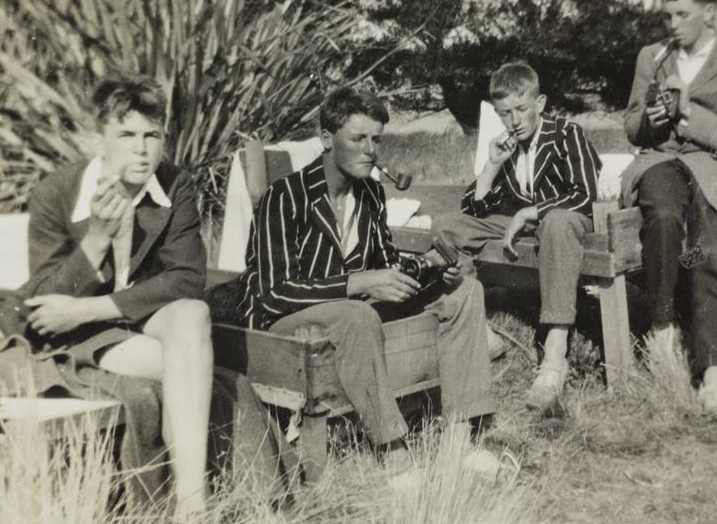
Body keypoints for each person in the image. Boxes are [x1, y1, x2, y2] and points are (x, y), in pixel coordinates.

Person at [208, 86, 499, 478]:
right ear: (327, 139)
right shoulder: (284, 198)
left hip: (353, 313)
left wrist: (429, 270)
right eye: (357, 138)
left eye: (376, 139)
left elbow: (385, 265)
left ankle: (458, 441)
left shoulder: (371, 194)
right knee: (357, 314)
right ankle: (394, 451)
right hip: (289, 324)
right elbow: (270, 294)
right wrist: (358, 282)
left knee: (466, 290)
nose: (370, 150)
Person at [16, 76, 213, 522]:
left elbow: (187, 279)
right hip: (79, 336)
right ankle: (181, 501)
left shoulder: (174, 185)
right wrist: (98, 238)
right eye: (126, 135)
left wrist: (88, 307)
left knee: (194, 315)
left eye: (152, 136)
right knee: (191, 364)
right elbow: (47, 304)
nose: (142, 150)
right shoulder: (56, 193)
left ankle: (191, 506)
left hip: (114, 317)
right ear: (98, 140)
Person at [621, 0, 717, 419]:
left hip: (714, 167)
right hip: (660, 160)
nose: (673, 25)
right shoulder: (652, 56)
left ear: (709, 12)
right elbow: (632, 127)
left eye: (683, 14)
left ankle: (713, 375)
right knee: (662, 218)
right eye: (668, 15)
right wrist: (655, 118)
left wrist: (687, 114)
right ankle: (661, 329)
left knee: (708, 248)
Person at [432, 61, 602, 412]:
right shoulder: (508, 147)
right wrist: (492, 166)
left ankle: (555, 354)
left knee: (555, 220)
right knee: (447, 226)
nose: (515, 121)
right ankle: (481, 331)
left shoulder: (566, 133)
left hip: (565, 225)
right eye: (505, 113)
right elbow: (474, 210)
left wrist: (531, 212)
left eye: (522, 110)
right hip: (520, 225)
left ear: (539, 104)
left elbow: (585, 194)